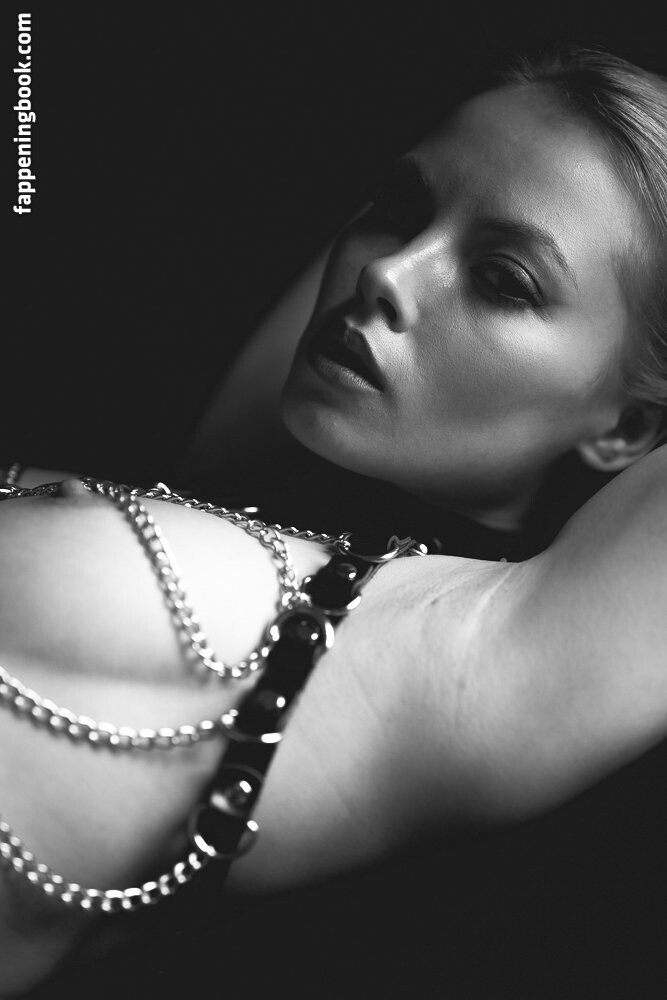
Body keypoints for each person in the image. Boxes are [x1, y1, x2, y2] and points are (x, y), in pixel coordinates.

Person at [3, 43, 667, 997]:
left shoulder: (484, 652)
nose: (386, 271)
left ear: (627, 429)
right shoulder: (233, 463)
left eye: (502, 280)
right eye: (398, 206)